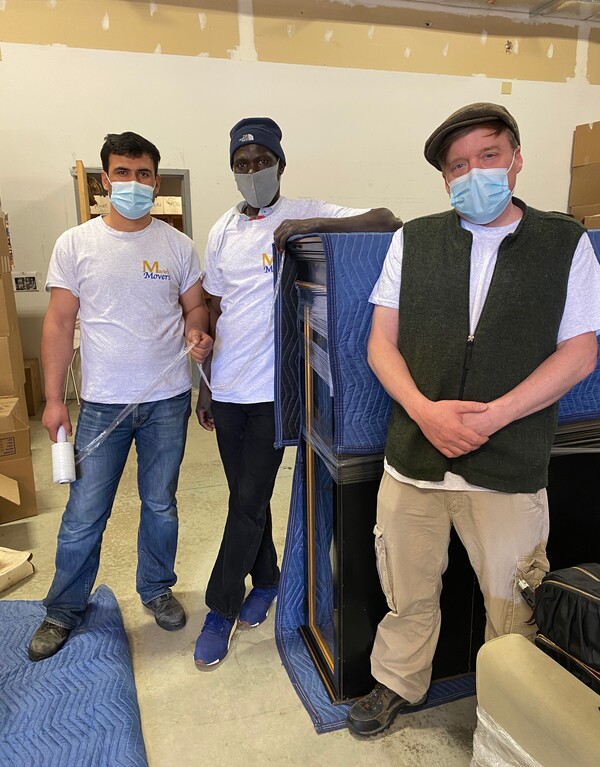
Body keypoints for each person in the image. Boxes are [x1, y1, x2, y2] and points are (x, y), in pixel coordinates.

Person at [347, 103, 600, 736]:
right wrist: (425, 412)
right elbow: (381, 343)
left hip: (508, 461)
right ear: (444, 180)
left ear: (516, 159)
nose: (473, 173)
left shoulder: (565, 243)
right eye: (457, 165)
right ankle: (396, 682)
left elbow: (580, 350)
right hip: (415, 457)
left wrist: (497, 417)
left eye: (487, 156)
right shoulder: (415, 239)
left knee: (515, 599)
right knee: (405, 586)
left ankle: (506, 705)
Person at [193, 117, 402, 668]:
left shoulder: (304, 210)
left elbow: (386, 220)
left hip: (273, 390)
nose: (252, 172)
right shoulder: (221, 231)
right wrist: (205, 385)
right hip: (228, 384)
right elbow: (215, 309)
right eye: (242, 164)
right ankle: (266, 580)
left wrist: (307, 223)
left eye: (262, 161)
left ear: (280, 163)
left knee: (245, 501)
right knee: (247, 494)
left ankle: (221, 607)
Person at [28, 131, 212, 662]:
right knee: (86, 512)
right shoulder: (76, 244)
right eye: (122, 174)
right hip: (102, 403)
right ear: (105, 181)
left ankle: (156, 588)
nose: (133, 183)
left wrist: (198, 333)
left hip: (167, 402)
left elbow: (194, 310)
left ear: (156, 180)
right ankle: (63, 608)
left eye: (144, 174)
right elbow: (59, 324)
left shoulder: (177, 247)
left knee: (161, 504)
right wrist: (53, 399)